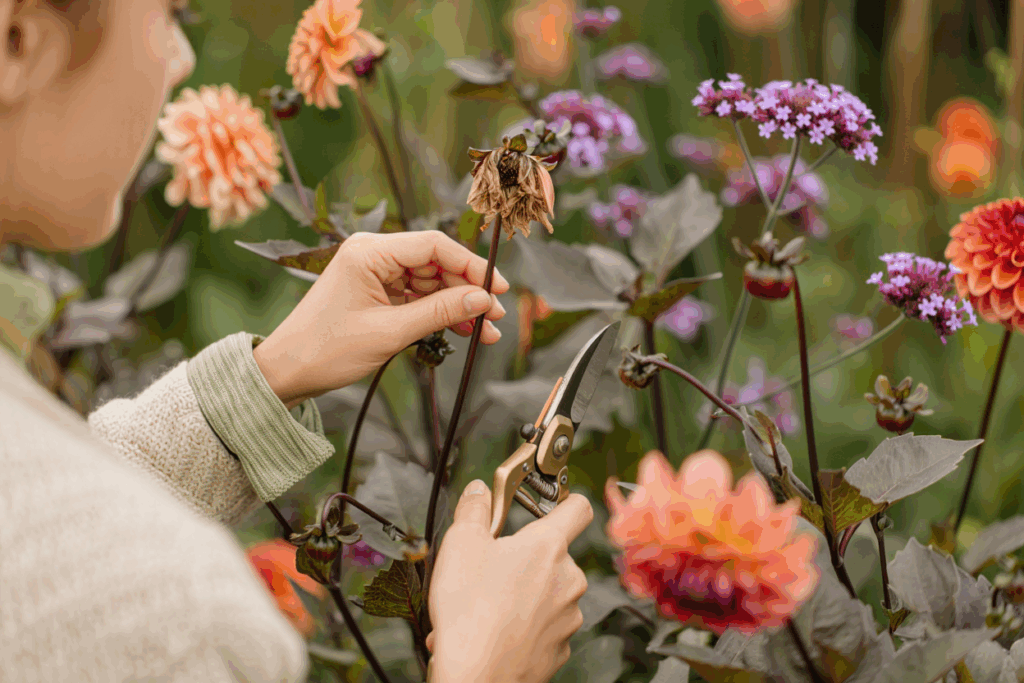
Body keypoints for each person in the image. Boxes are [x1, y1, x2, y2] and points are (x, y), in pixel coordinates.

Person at [0, 1, 593, 681]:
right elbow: (95, 578)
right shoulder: (181, 627)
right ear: (18, 43)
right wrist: (486, 664)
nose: (183, 57)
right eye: (171, 11)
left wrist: (263, 379)